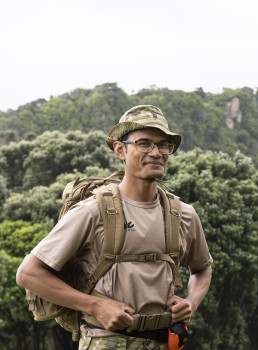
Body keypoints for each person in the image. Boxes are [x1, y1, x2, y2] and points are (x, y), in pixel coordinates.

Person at [17, 105, 213, 349]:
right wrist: (95, 305)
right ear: (120, 149)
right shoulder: (93, 210)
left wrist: (191, 302)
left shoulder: (183, 214)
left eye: (163, 145)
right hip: (106, 342)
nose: (156, 152)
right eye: (144, 143)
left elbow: (202, 269)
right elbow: (28, 273)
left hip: (165, 342)